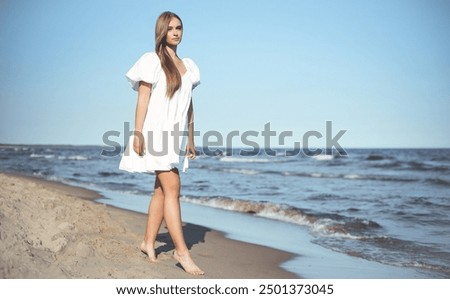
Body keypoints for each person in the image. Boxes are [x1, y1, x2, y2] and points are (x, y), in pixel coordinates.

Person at [119, 11, 204, 275]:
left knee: (161, 190)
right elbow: (142, 99)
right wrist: (138, 132)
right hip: (155, 133)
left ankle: (147, 241)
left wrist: (190, 137)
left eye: (179, 27)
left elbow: (188, 104)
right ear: (161, 32)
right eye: (170, 29)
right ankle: (181, 252)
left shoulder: (188, 65)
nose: (176, 32)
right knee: (173, 186)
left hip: (175, 136)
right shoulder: (151, 60)